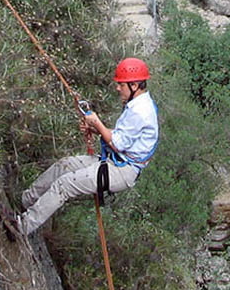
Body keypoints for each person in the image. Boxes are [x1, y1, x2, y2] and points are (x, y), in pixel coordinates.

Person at [17, 57, 159, 237]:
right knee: (65, 165)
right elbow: (123, 137)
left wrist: (97, 124)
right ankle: (25, 200)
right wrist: (95, 128)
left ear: (135, 85)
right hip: (114, 161)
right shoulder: (137, 104)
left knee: (65, 185)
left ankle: (22, 227)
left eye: (121, 85)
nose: (117, 88)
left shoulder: (140, 111)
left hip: (122, 170)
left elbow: (117, 143)